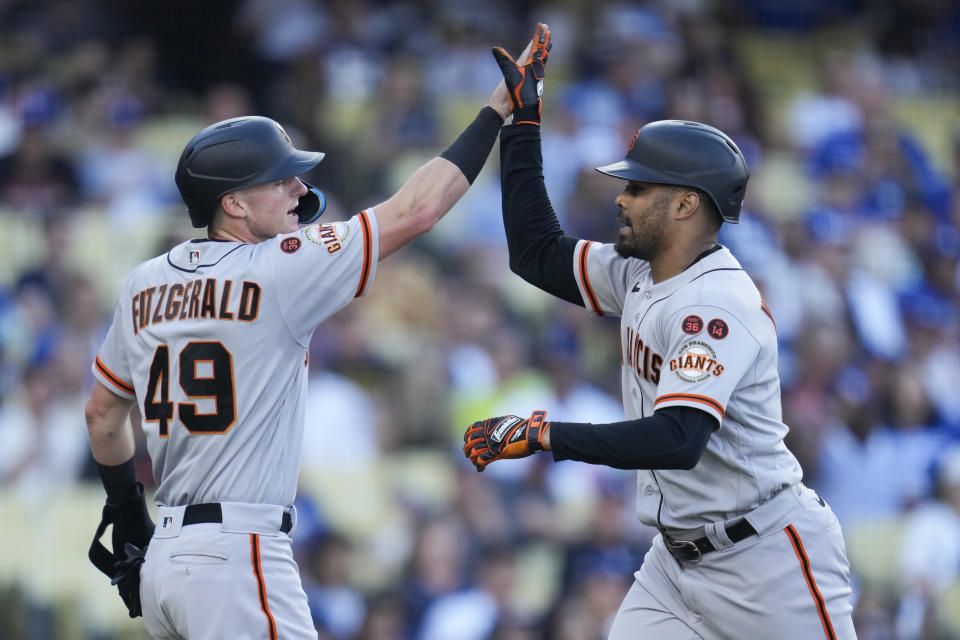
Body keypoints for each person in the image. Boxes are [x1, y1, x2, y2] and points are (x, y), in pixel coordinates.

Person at [83, 24, 550, 639]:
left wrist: (124, 509)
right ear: (234, 204)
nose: (300, 188)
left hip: (166, 558)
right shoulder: (280, 269)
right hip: (239, 554)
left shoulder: (144, 282)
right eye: (281, 178)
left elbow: (102, 416)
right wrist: (496, 110)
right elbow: (417, 210)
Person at [462, 30, 857, 639]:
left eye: (638, 187)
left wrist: (545, 435)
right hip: (675, 566)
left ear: (684, 206)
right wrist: (523, 121)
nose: (621, 198)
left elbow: (678, 439)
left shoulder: (715, 303)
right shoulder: (642, 272)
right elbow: (535, 253)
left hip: (767, 562)